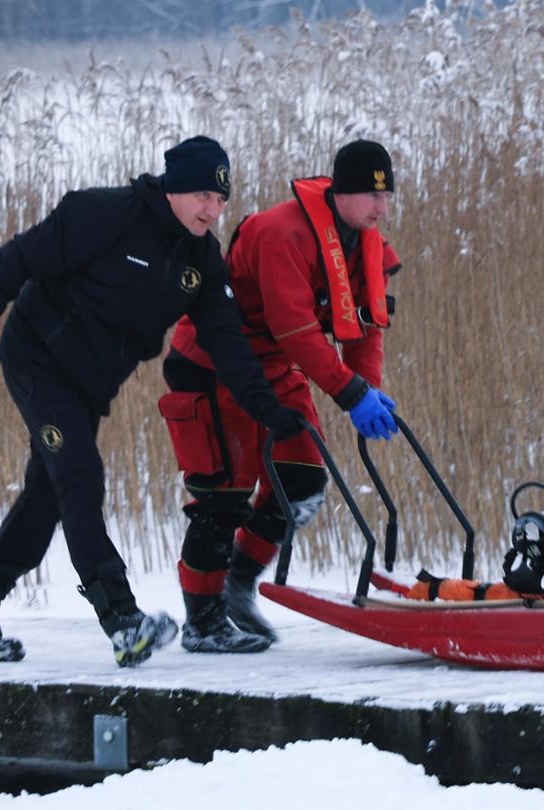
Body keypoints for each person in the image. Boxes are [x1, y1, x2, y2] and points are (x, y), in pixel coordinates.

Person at [0, 136, 305, 667]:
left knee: (48, 493)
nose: (213, 209)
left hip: (88, 386)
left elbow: (231, 348)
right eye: (203, 194)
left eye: (221, 199)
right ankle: (123, 620)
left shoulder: (201, 261)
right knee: (81, 478)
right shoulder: (103, 214)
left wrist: (269, 412)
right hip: (38, 360)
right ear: (174, 188)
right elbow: (19, 258)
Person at [161, 139, 403, 653]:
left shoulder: (368, 242)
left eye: (388, 196)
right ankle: (202, 621)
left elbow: (368, 322)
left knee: (303, 479)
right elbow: (295, 328)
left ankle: (238, 584)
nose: (382, 208)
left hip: (273, 366)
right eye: (371, 196)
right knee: (222, 494)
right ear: (340, 192)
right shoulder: (281, 233)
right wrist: (348, 391)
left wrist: (369, 389)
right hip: (213, 361)